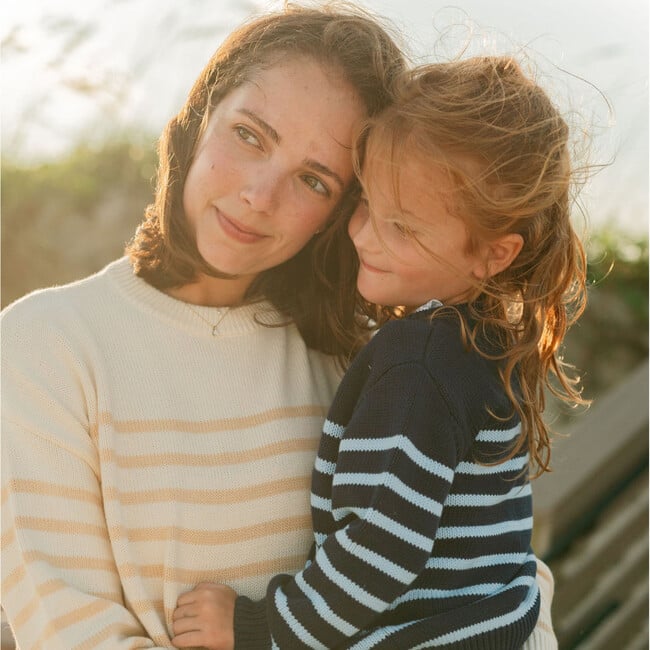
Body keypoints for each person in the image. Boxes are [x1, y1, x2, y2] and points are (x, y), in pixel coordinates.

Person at [1, 2, 557, 648]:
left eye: (314, 180)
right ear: (200, 114)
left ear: (344, 207)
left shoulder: (367, 357)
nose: (259, 197)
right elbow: (72, 628)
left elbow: (499, 575)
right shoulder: (45, 345)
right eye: (249, 135)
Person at [170, 54, 587, 649]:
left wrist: (259, 628)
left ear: (494, 254)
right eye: (366, 203)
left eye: (405, 228)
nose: (364, 233)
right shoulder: (482, 341)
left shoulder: (421, 359)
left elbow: (380, 546)